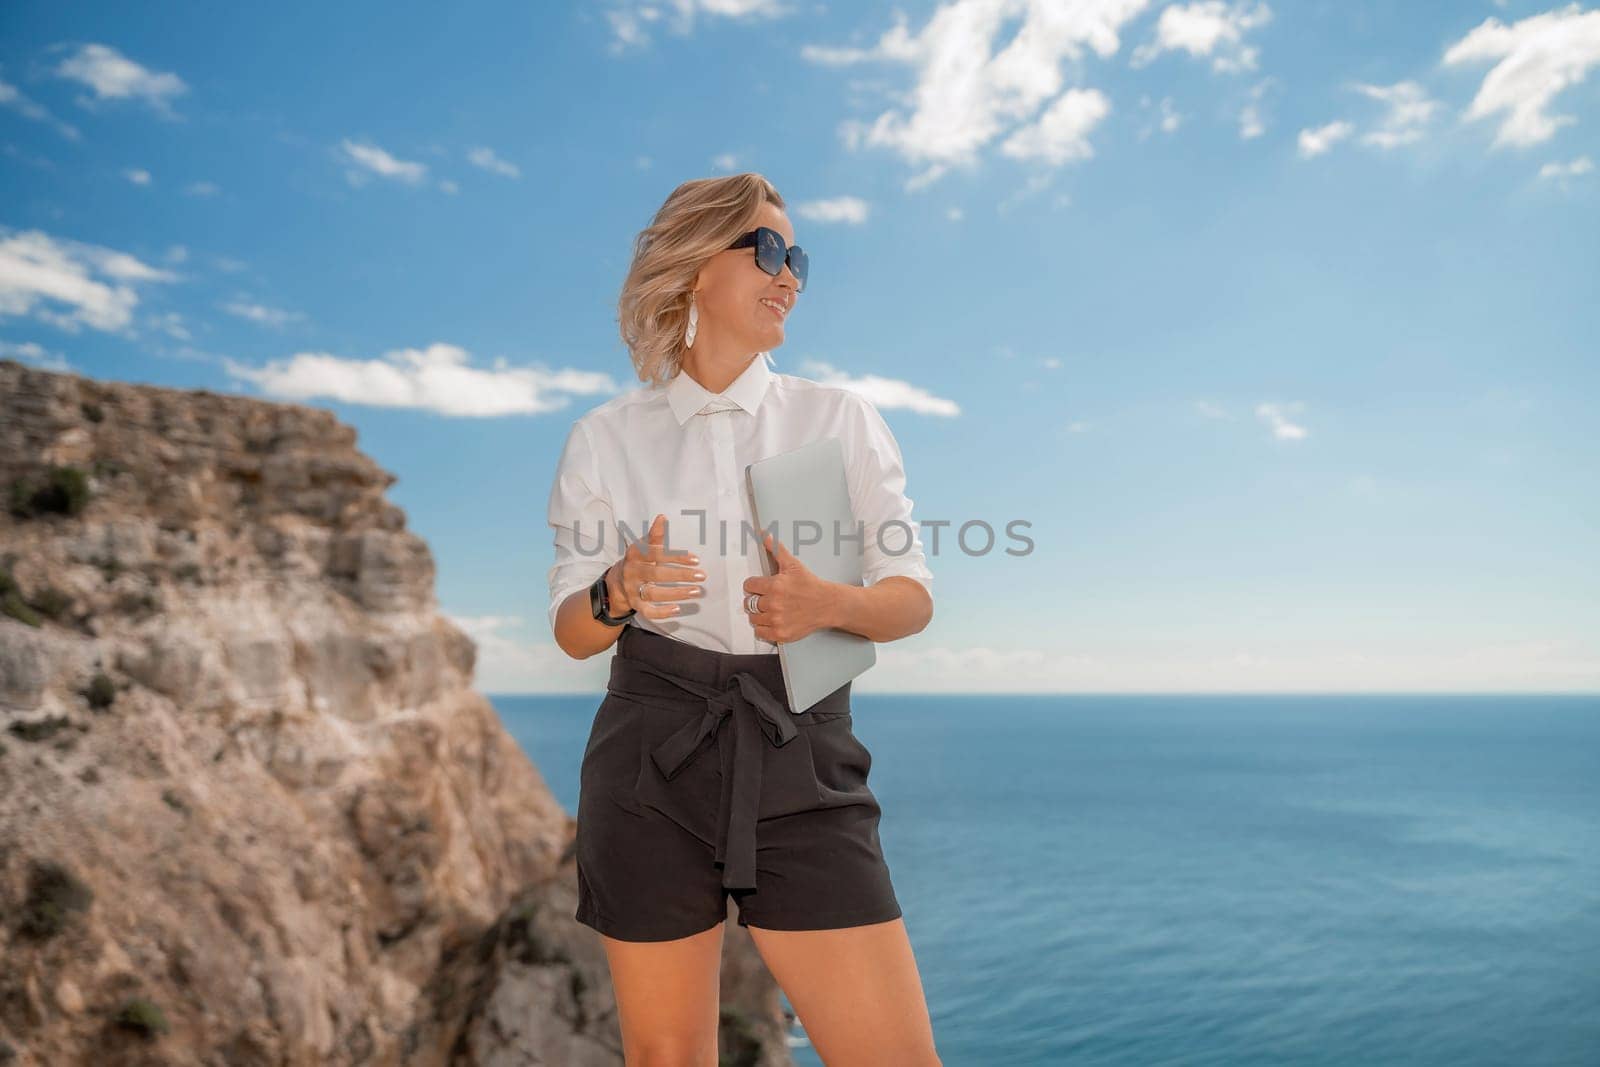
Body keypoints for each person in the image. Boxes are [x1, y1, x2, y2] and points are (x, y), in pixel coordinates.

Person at [547, 172, 941, 1066]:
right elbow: (572, 629)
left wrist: (828, 605)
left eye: (796, 257)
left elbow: (910, 595)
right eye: (766, 249)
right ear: (692, 267)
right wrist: (618, 589)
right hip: (651, 763)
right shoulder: (606, 436)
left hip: (805, 756)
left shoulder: (838, 417)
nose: (790, 274)